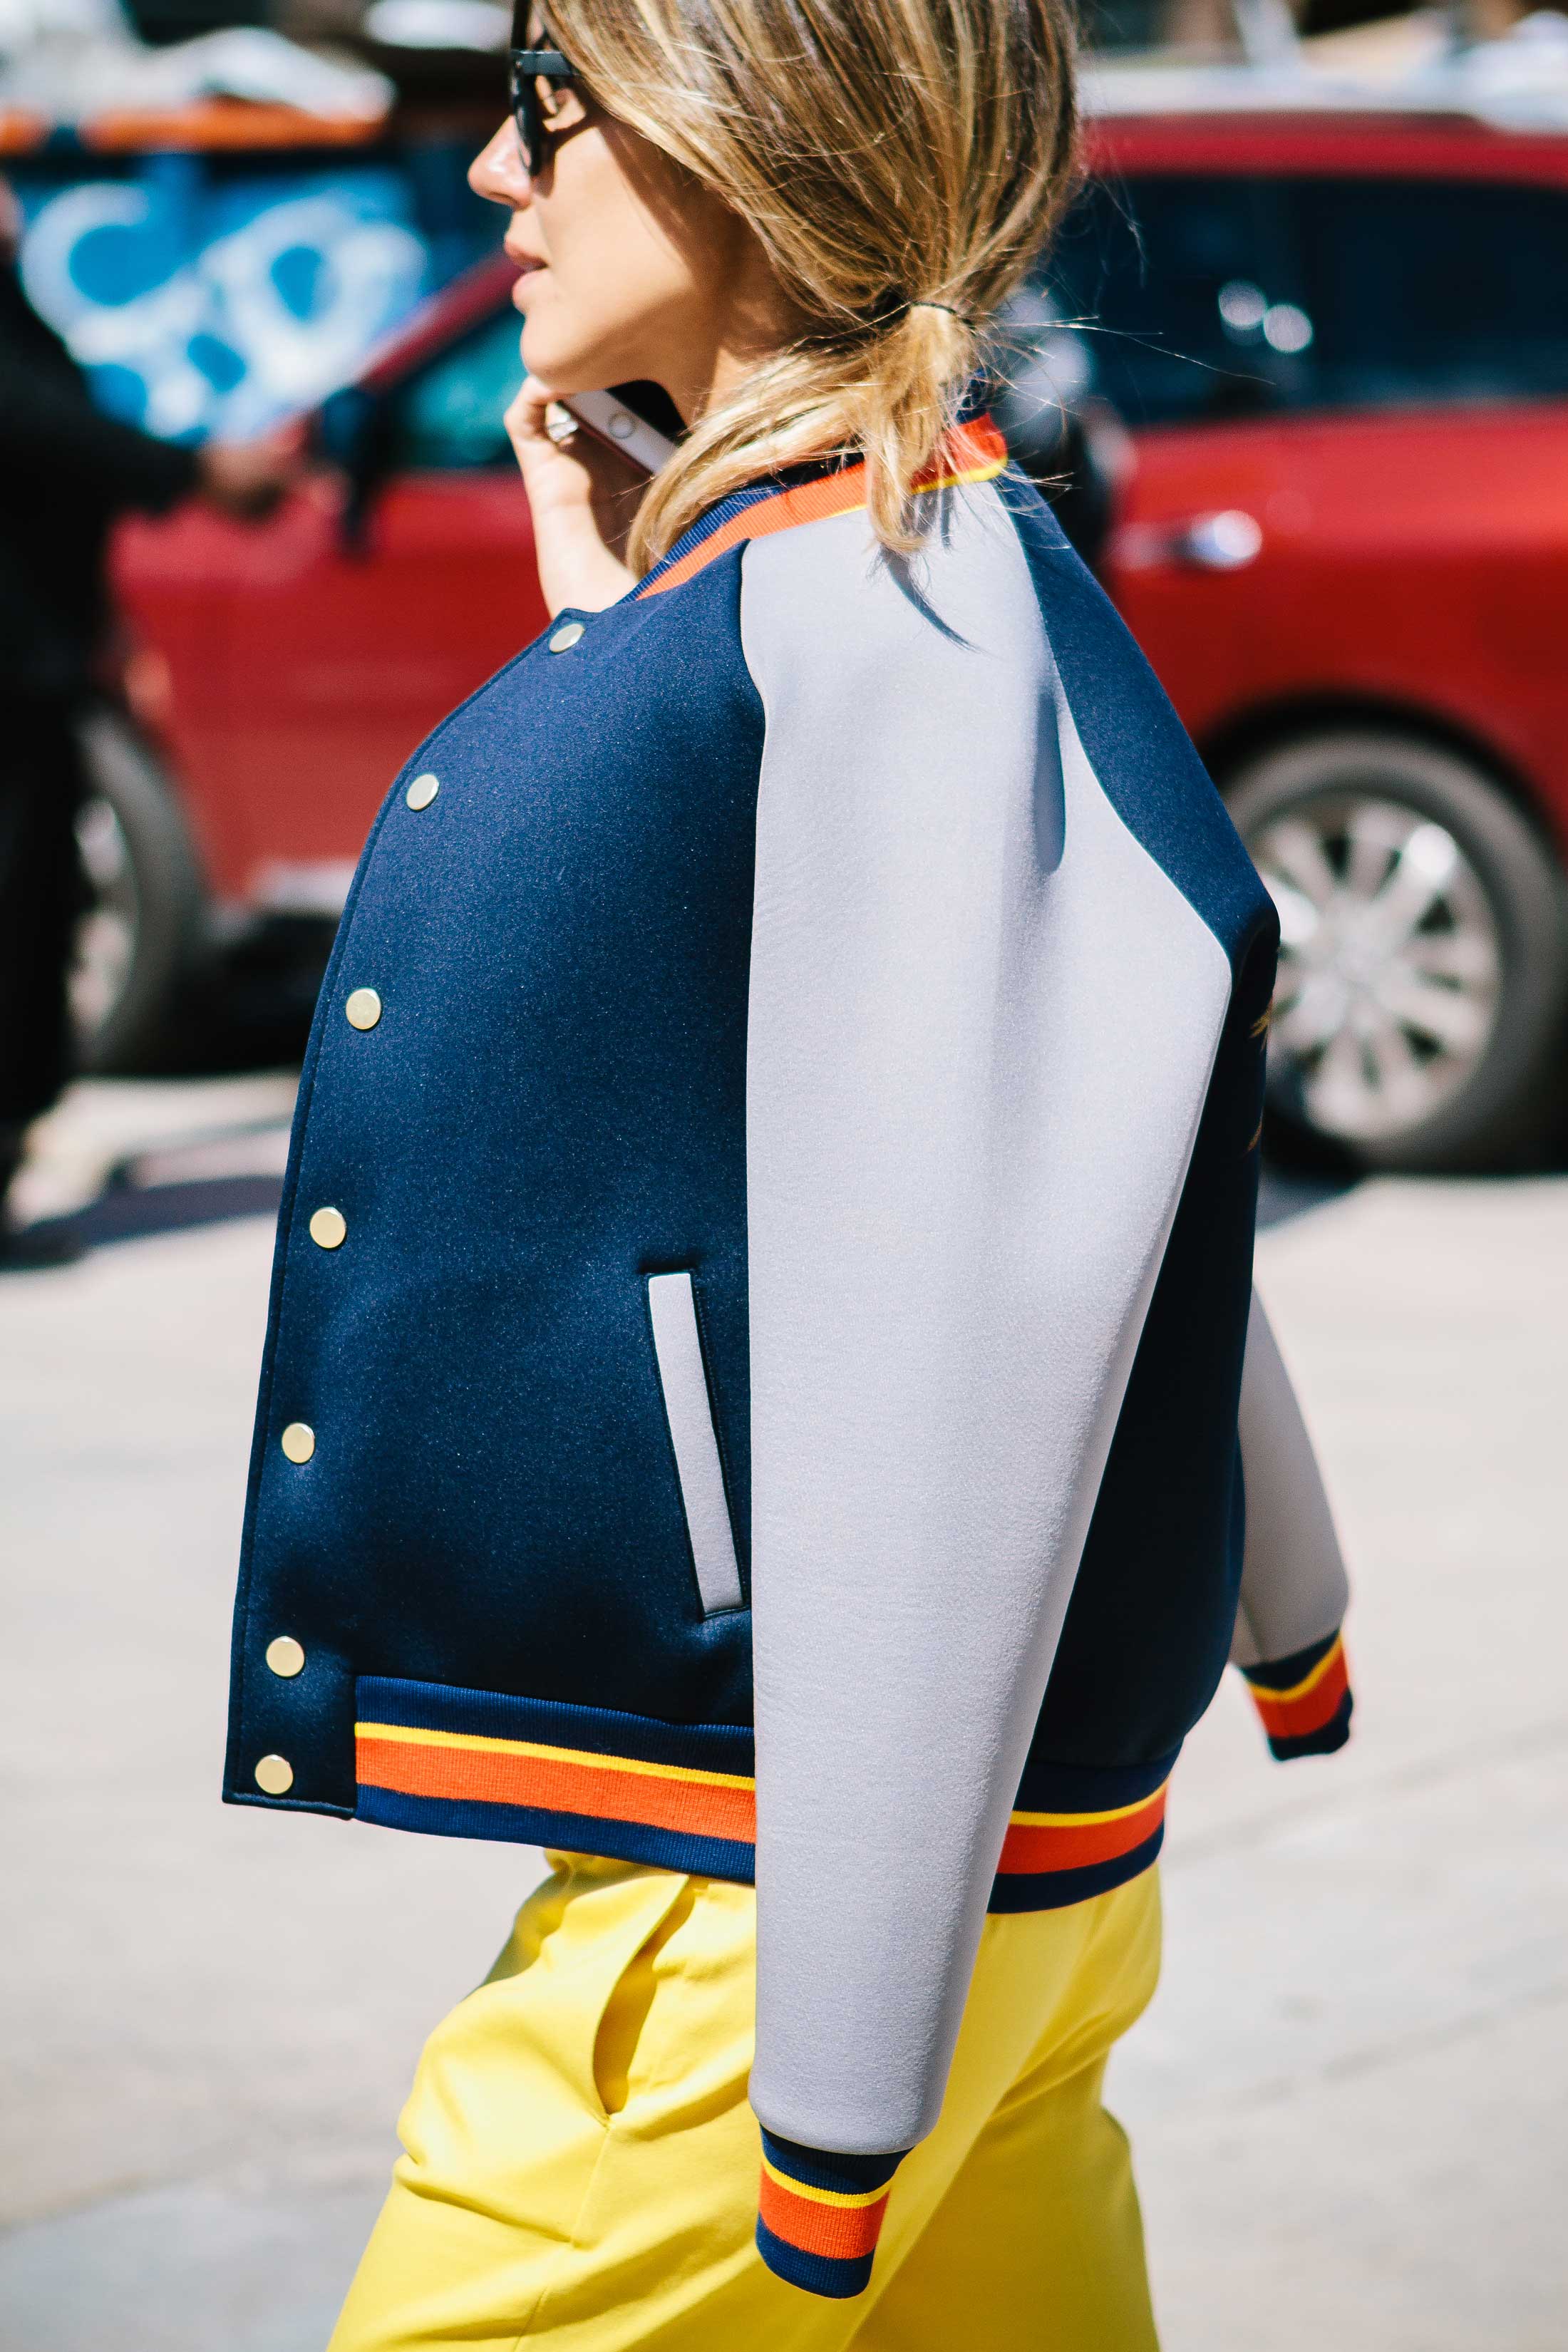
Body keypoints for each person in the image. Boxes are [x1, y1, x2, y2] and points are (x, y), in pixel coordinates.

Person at [222, 1, 1355, 2343]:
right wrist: (1293, 1628)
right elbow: (1111, 1123)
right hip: (951, 1870)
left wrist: (832, 2100)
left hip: (767, 1908)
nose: (489, 181)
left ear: (731, 129)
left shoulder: (871, 611)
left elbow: (983, 1279)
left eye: (546, 105)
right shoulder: (889, 564)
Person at [0, 172, 295, 1264]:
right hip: (13, 676)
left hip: (40, 668)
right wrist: (199, 472)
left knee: (37, 916)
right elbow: (48, 432)